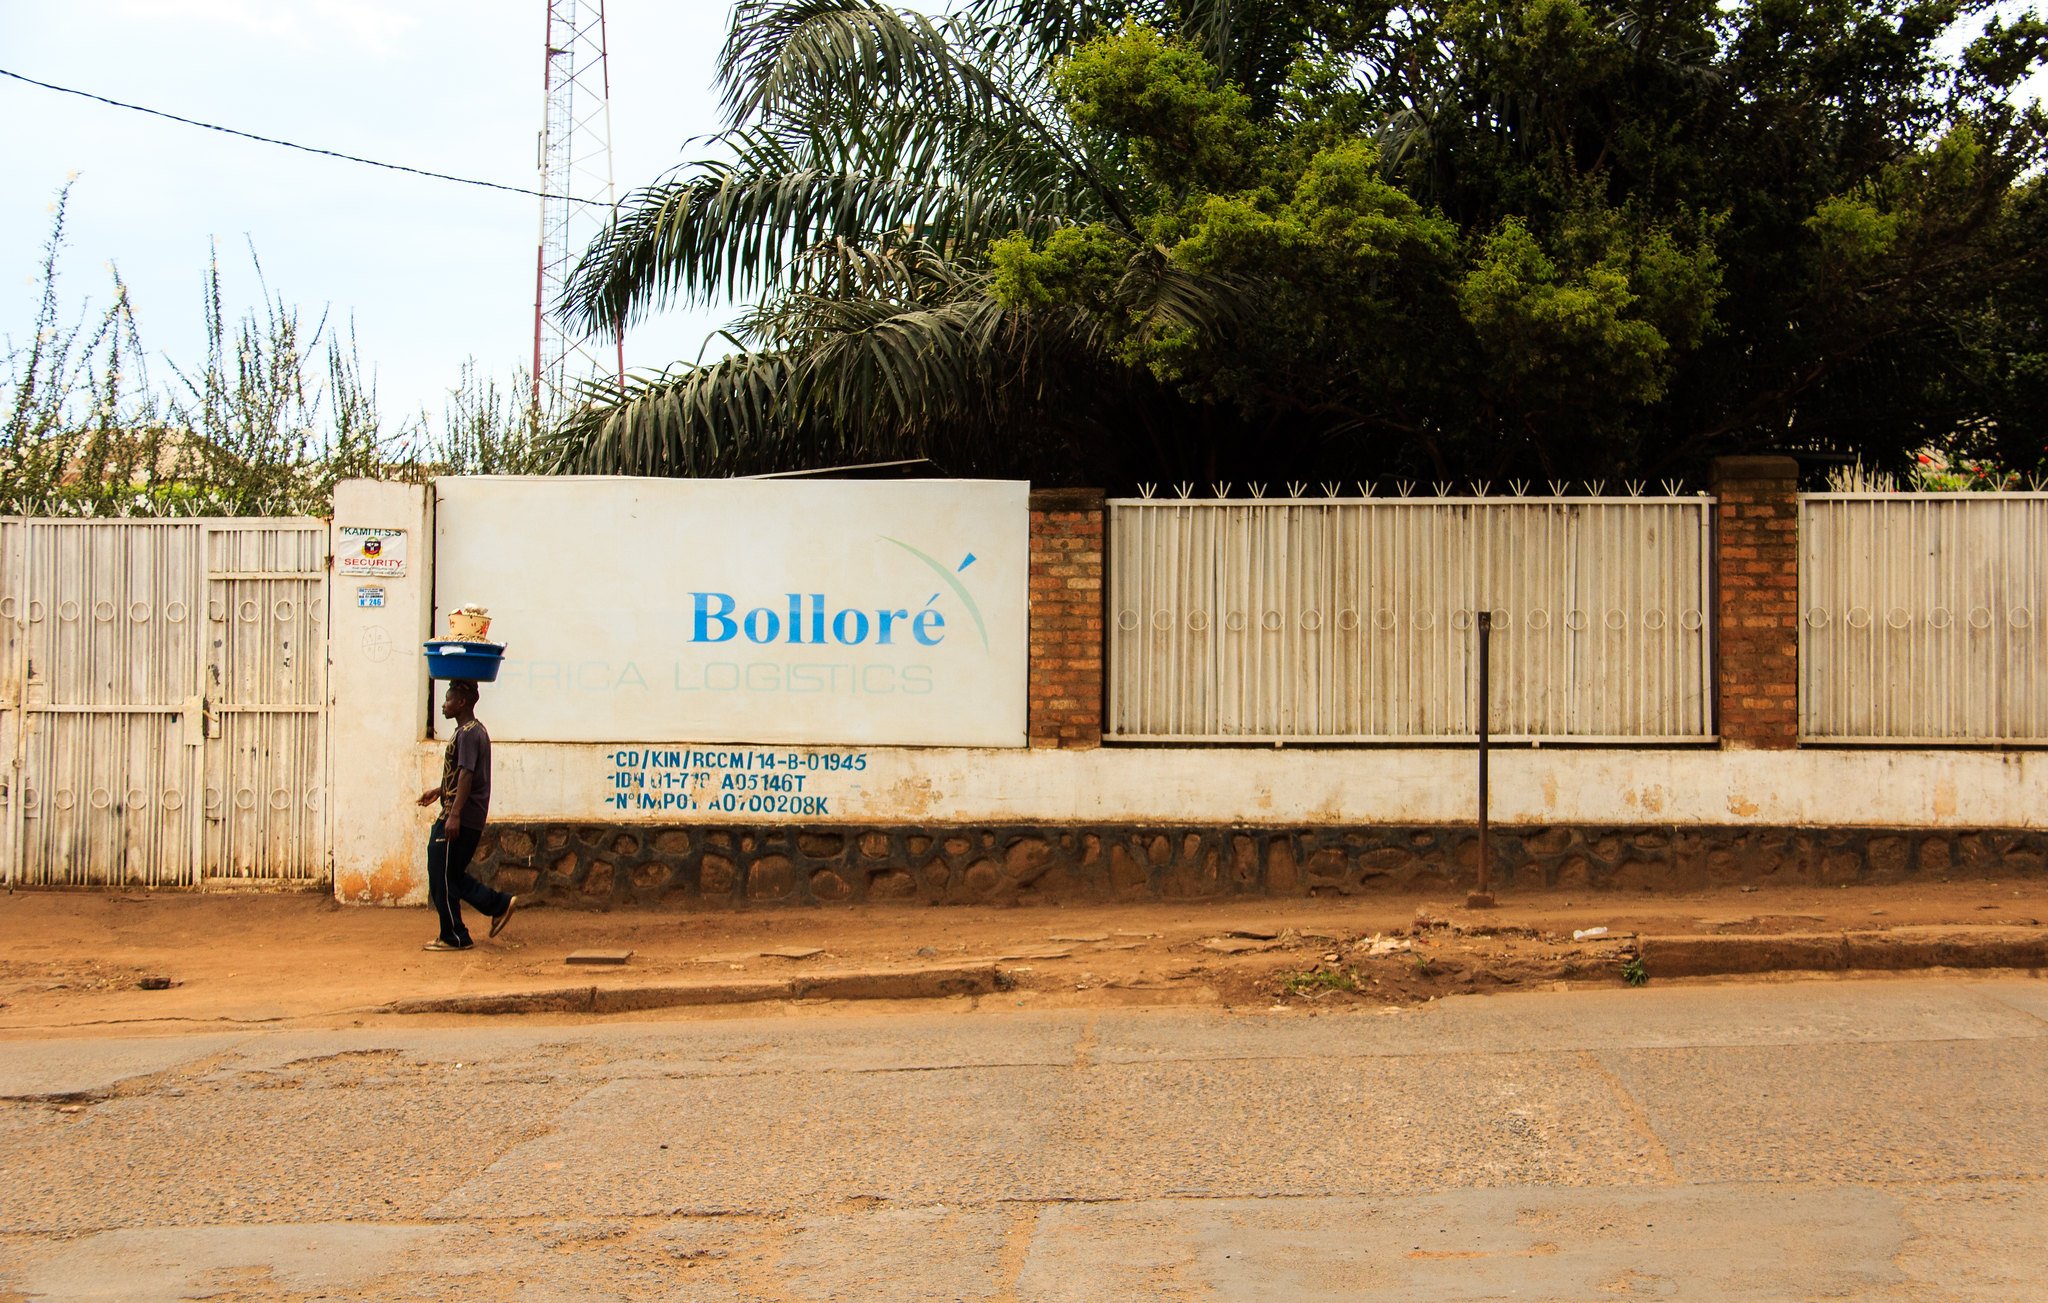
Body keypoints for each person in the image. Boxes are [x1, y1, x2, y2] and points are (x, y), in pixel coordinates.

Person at [415, 679, 518, 950]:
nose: (443, 704)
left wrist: (454, 815)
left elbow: (468, 774)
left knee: (440, 874)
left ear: (461, 702)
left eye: (447, 699)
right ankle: (498, 904)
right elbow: (463, 774)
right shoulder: (471, 731)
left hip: (460, 816)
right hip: (463, 813)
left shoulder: (470, 733)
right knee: (451, 874)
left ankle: (454, 936)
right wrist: (440, 790)